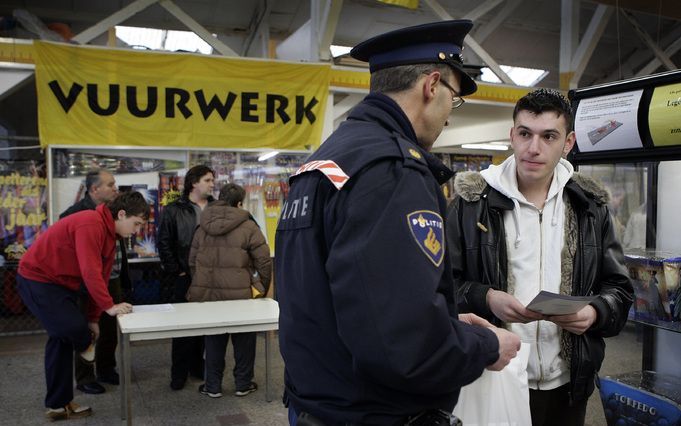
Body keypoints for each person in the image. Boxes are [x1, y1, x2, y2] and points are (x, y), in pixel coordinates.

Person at [275, 20, 521, 425]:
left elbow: (346, 301)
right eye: (454, 99)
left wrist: (442, 322)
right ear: (432, 85)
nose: (449, 118)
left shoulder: (327, 159)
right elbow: (405, 344)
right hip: (371, 412)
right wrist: (484, 345)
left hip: (318, 400)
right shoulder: (392, 171)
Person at [445, 88, 634, 426]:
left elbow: (619, 289)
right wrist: (485, 297)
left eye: (549, 136)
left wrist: (595, 312)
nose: (534, 148)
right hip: (494, 375)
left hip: (569, 383)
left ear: (568, 142)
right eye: (525, 134)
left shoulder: (590, 206)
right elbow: (440, 287)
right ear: (512, 135)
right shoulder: (471, 203)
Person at [16, 191, 150, 421]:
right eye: (136, 223)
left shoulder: (111, 236)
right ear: (121, 214)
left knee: (61, 341)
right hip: (37, 278)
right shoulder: (91, 223)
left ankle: (58, 405)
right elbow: (90, 271)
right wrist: (109, 306)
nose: (136, 231)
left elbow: (103, 276)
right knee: (71, 330)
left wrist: (94, 318)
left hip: (63, 283)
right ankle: (84, 346)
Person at [187, 183, 272, 398]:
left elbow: (192, 261)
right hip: (241, 294)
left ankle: (212, 385)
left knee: (213, 339)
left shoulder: (202, 225)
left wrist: (202, 282)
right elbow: (263, 261)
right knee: (244, 340)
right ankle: (243, 384)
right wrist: (260, 288)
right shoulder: (249, 226)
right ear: (239, 203)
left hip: (209, 296)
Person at [59, 169, 129, 395]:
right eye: (110, 184)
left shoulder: (113, 211)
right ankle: (85, 377)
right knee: (86, 329)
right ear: (94, 188)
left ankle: (107, 368)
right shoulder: (76, 213)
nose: (115, 188)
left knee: (110, 328)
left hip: (113, 277)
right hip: (87, 282)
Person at [157, 164, 215, 390]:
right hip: (183, 277)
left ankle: (197, 367)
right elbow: (164, 243)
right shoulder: (174, 210)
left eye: (212, 180)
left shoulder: (217, 207)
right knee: (182, 328)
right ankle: (178, 372)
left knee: (204, 326)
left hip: (210, 278)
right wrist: (177, 271)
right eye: (208, 180)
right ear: (194, 183)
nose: (212, 184)